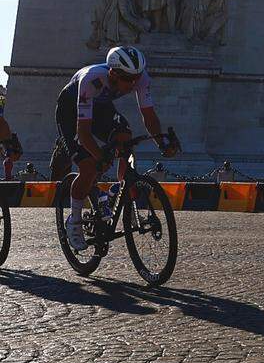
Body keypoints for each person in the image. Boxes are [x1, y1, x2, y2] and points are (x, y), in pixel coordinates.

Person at [55, 45, 179, 251]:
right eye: (128, 80)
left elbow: (149, 115)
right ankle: (74, 222)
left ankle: (121, 190)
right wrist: (100, 156)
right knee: (89, 167)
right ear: (113, 73)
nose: (133, 84)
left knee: (125, 136)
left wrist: (162, 142)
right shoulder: (91, 80)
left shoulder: (139, 78)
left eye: (136, 79)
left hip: (101, 106)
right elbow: (84, 132)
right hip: (71, 110)